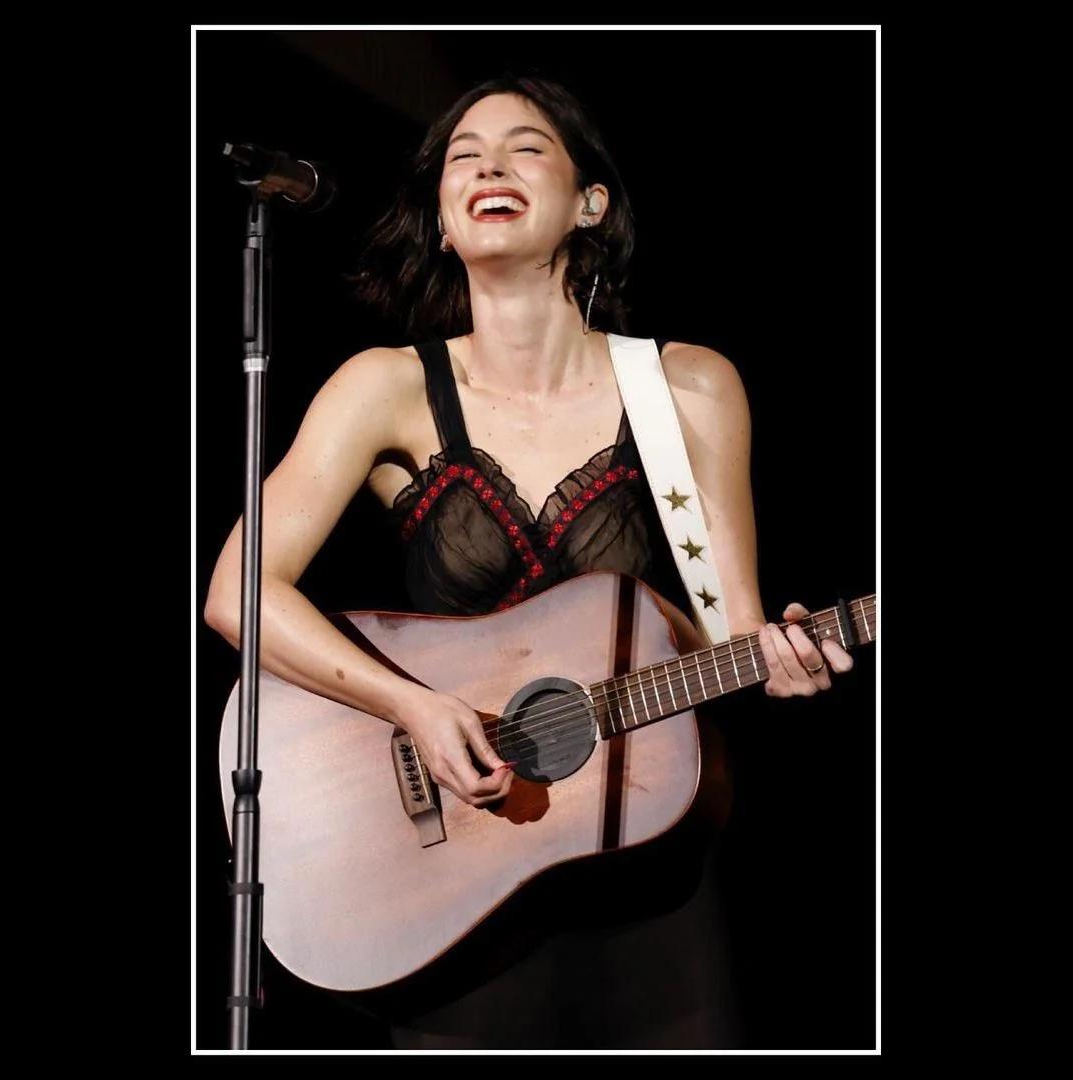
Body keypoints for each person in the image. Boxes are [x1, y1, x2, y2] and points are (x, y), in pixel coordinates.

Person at [205, 74, 855, 1050]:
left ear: (590, 203)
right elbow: (236, 593)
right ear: (441, 219)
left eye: (526, 147)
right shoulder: (385, 387)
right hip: (458, 887)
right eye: (464, 157)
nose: (489, 167)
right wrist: (413, 707)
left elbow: (732, 631)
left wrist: (784, 657)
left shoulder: (687, 385)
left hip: (645, 866)